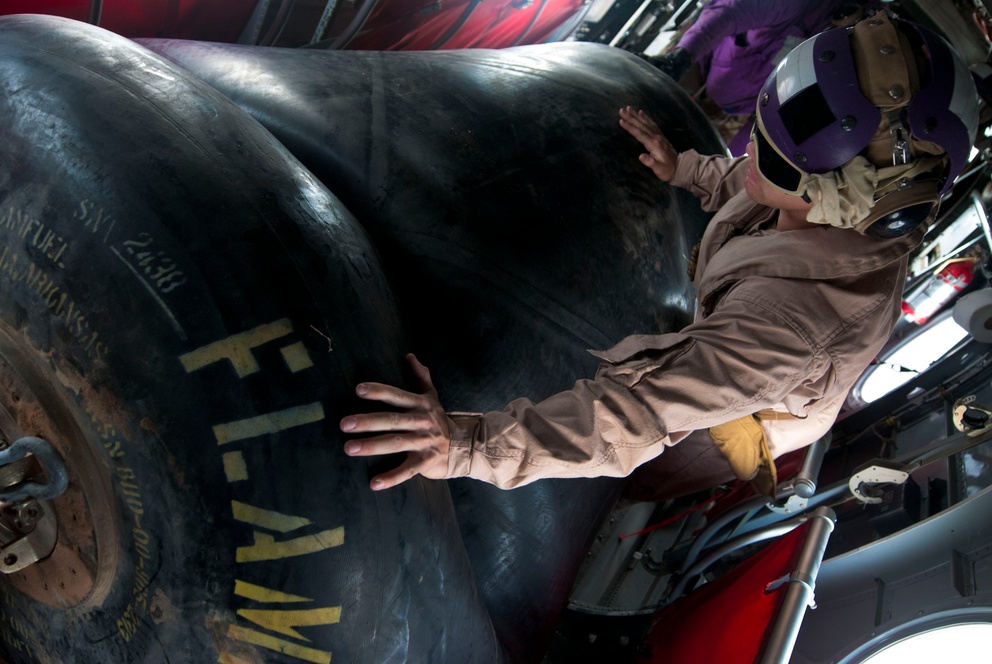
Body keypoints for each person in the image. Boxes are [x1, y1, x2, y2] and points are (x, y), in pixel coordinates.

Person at [339, 12, 979, 497]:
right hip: (748, 329)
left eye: (776, 154)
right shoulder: (817, 199)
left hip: (748, 418)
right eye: (759, 133)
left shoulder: (793, 324)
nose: (750, 152)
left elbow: (633, 416)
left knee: (644, 488)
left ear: (846, 199)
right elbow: (752, 187)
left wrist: (462, 444)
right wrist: (687, 169)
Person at [644, 0, 868, 155]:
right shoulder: (792, 5)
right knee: (647, 109)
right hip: (702, 65)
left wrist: (734, 152)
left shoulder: (856, 23)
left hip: (746, 109)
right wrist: (683, 55)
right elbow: (731, 11)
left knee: (693, 157)